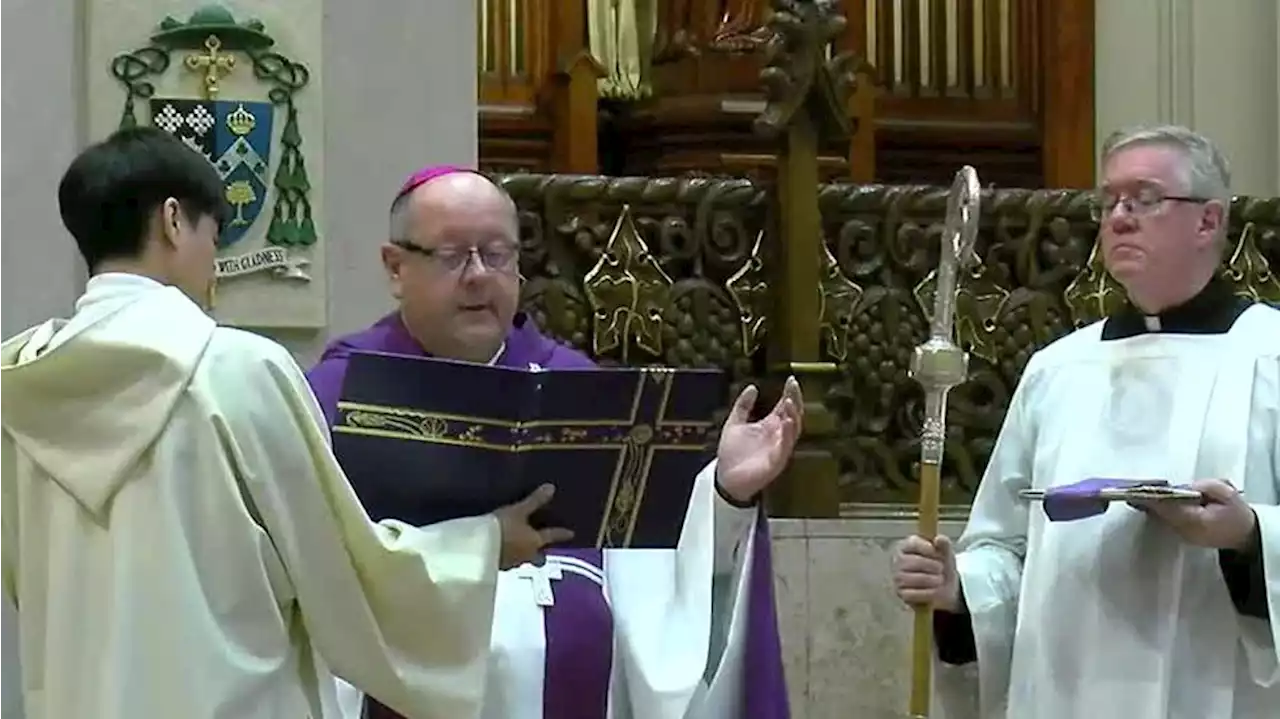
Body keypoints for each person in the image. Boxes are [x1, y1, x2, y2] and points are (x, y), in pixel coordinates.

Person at [0, 127, 568, 719]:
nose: (212, 269)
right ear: (173, 221)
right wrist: (484, 543)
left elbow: (27, 586)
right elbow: (339, 566)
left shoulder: (22, 383)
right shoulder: (234, 371)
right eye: (213, 236)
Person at [306, 166, 798, 719]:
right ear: (396, 268)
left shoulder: (581, 387)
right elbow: (309, 569)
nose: (477, 276)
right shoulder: (334, 399)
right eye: (451, 256)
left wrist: (724, 492)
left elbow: (654, 571)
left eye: (497, 254)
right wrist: (482, 548)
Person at [891, 124, 1280, 718]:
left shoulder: (1270, 354)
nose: (1120, 217)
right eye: (1110, 201)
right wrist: (961, 588)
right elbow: (1006, 546)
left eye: (1145, 198)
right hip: (1066, 692)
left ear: (1208, 221)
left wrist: (1248, 536)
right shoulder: (1059, 369)